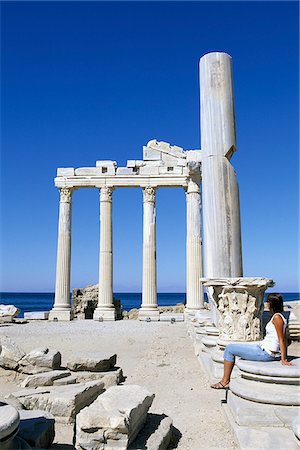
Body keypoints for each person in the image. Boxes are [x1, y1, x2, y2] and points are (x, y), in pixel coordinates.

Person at [211, 293, 294, 389]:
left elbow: (282, 339)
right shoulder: (278, 316)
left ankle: (224, 381)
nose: (266, 303)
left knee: (229, 349)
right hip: (263, 347)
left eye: (267, 301)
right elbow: (284, 338)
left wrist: (284, 359)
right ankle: (225, 380)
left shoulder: (277, 318)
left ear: (271, 303)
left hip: (265, 353)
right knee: (237, 345)